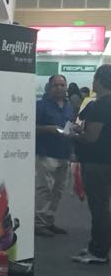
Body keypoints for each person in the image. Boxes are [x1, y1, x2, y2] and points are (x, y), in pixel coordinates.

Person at [72, 64, 111, 264]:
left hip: (98, 162)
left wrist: (74, 134)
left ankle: (98, 250)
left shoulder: (100, 106)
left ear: (99, 81)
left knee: (99, 206)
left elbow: (91, 138)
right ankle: (100, 247)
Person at [35, 74, 76, 236]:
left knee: (58, 191)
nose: (59, 88)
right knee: (44, 190)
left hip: (64, 153)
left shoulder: (69, 107)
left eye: (62, 85)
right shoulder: (41, 105)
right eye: (56, 85)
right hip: (46, 153)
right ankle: (39, 224)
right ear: (49, 87)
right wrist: (48, 129)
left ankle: (49, 221)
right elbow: (31, 128)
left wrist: (72, 151)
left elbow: (69, 128)